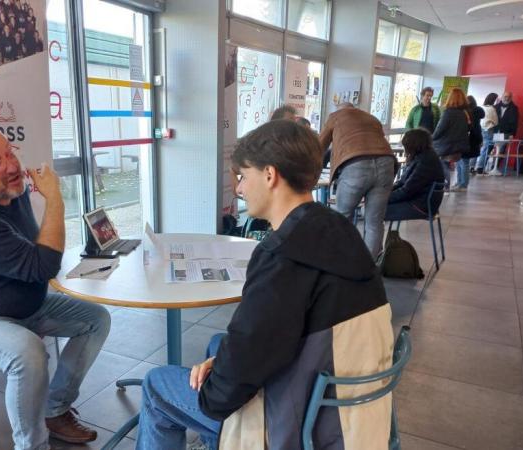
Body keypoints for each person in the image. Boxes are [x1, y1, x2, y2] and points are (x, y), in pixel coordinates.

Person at [136, 119, 393, 450]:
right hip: (353, 407)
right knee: (219, 344)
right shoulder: (340, 230)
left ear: (270, 175)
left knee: (157, 384)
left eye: (243, 177)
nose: (239, 189)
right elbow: (264, 338)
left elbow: (234, 376)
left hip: (300, 426)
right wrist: (227, 364)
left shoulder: (282, 257)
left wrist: (214, 394)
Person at [0, 126, 110, 449]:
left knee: (96, 319)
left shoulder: (12, 192)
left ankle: (54, 410)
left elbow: (34, 255)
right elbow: (42, 265)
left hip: (23, 307)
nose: (12, 166)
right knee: (27, 353)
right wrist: (55, 198)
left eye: (10, 153)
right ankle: (32, 444)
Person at [319, 102, 395, 259]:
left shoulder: (336, 116)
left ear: (340, 109)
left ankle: (340, 262)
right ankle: (369, 269)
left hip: (356, 165)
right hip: (387, 164)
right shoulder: (372, 118)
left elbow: (319, 146)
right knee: (375, 221)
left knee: (342, 215)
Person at [385, 128, 445, 221]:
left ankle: (388, 235)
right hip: (419, 201)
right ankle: (392, 235)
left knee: (375, 211)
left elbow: (406, 191)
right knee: (376, 207)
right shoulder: (424, 156)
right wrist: (384, 193)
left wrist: (382, 198)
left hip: (420, 206)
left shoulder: (426, 161)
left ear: (412, 145)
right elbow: (402, 183)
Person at [432, 88, 470, 191]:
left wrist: (430, 138)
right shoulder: (464, 114)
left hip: (444, 146)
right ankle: (449, 186)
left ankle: (445, 187)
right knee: (449, 166)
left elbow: (439, 130)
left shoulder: (448, 113)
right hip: (458, 146)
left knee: (443, 166)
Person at [455, 95, 484, 190]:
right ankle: (460, 183)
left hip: (467, 141)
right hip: (468, 141)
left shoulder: (469, 114)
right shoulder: (473, 114)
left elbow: (473, 129)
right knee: (460, 162)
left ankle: (463, 184)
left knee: (463, 162)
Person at [475, 93, 498, 174]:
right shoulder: (492, 109)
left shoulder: (481, 107)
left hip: (480, 128)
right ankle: (480, 167)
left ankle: (472, 166)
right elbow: (496, 122)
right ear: (493, 100)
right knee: (486, 149)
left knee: (477, 147)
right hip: (488, 129)